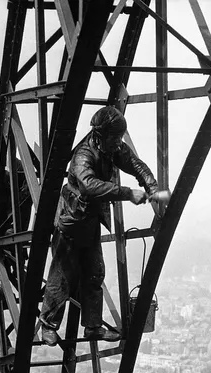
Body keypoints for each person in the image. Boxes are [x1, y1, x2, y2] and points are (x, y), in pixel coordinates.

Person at [39, 106, 161, 346]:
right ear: (101, 135)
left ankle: (93, 327)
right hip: (71, 224)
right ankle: (48, 326)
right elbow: (89, 186)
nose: (118, 144)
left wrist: (151, 186)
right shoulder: (83, 156)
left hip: (89, 222)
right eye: (115, 138)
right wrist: (127, 193)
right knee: (61, 277)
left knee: (95, 273)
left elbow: (135, 164)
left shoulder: (110, 147)